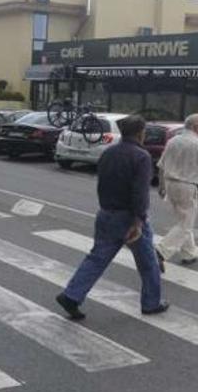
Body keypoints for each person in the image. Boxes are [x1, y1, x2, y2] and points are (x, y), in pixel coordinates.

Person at [56, 115, 168, 319]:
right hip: (128, 217)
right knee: (148, 262)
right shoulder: (141, 157)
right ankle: (151, 303)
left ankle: (71, 295)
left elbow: (102, 183)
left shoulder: (108, 153)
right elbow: (140, 193)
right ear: (141, 133)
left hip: (106, 213)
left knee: (96, 259)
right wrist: (138, 221)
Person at [155, 113, 198, 268]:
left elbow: (161, 165)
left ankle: (189, 253)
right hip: (187, 186)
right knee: (185, 224)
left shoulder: (173, 141)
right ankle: (160, 251)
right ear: (195, 126)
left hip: (170, 184)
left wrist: (161, 185)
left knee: (183, 220)